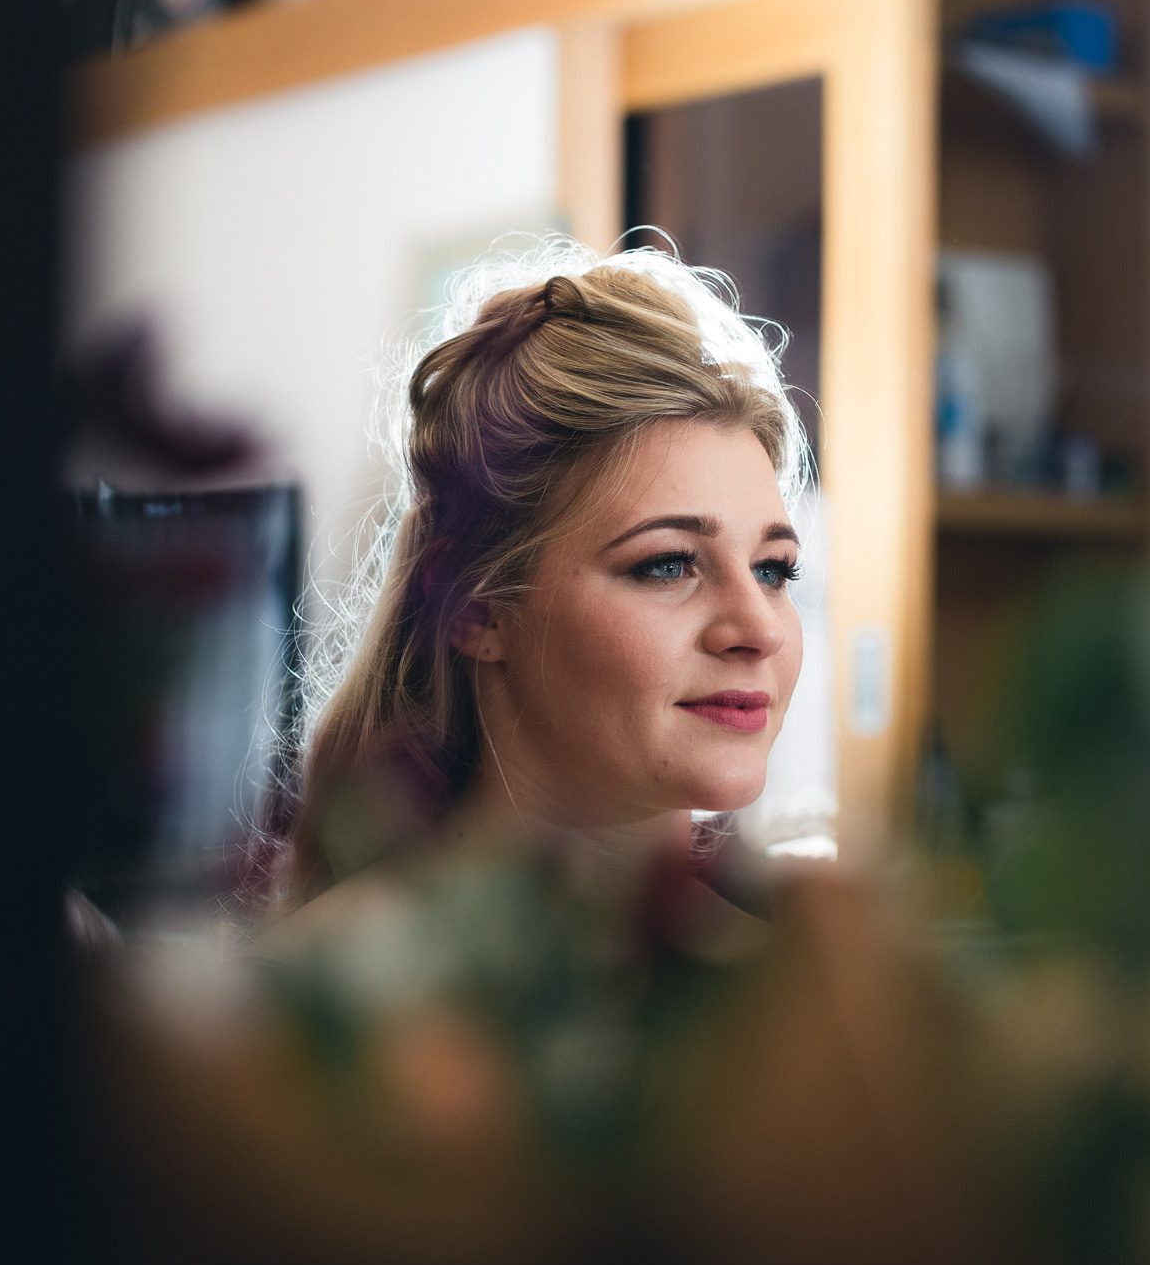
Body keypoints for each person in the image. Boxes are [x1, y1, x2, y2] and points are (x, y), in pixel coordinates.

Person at [257, 238, 814, 917]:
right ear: (476, 607)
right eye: (667, 564)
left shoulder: (808, 990)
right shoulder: (322, 1002)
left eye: (772, 568)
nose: (758, 628)